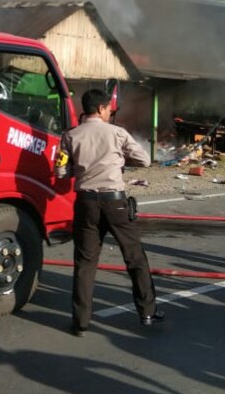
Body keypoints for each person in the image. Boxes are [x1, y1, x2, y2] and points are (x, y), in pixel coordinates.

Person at [55, 89, 164, 337]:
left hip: (85, 203)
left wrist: (80, 169)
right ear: (103, 108)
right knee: (134, 257)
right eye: (109, 110)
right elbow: (144, 160)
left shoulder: (70, 135)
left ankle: (80, 321)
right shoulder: (117, 133)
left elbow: (61, 171)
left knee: (85, 262)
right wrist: (120, 162)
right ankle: (147, 311)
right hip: (115, 203)